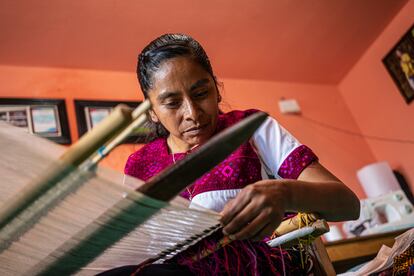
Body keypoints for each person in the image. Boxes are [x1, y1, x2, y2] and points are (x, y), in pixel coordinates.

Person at [118, 33, 359, 275]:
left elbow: (348, 205)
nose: (192, 113)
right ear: (151, 111)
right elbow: (137, 247)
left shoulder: (250, 128)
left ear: (217, 89)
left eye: (201, 93)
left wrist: (285, 193)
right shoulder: (139, 165)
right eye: (172, 103)